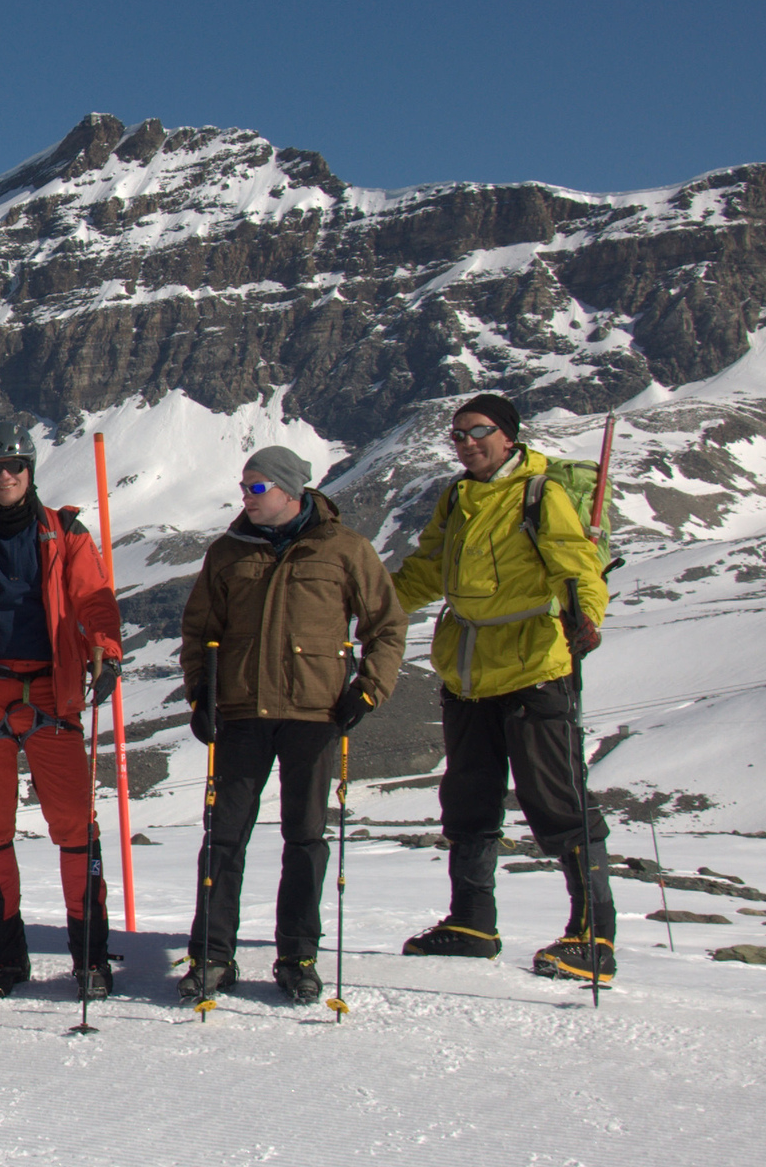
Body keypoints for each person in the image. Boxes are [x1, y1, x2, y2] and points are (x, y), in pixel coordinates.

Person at [390, 394, 615, 982]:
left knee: (557, 800)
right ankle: (471, 923)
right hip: (467, 673)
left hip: (536, 667)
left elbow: (577, 566)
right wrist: (371, 611)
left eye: (478, 432)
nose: (465, 443)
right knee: (468, 800)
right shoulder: (458, 497)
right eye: (458, 435)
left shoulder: (543, 495)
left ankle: (593, 935)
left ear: (509, 436)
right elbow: (427, 571)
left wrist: (587, 617)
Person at [176, 447, 404, 1003]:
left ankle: (298, 956)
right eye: (244, 487)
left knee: (305, 839)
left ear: (288, 490)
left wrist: (367, 689)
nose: (246, 497)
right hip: (242, 714)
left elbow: (388, 626)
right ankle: (211, 956)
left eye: (256, 488)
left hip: (314, 715)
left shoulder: (344, 550)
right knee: (224, 837)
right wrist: (201, 697)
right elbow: (198, 631)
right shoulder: (227, 552)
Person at [0, 419, 125, 1000]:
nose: (5, 476)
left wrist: (105, 652)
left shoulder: (68, 534)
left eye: (14, 466)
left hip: (51, 696)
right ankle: (6, 958)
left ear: (30, 470)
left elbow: (93, 601)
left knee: (74, 828)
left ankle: (89, 956)